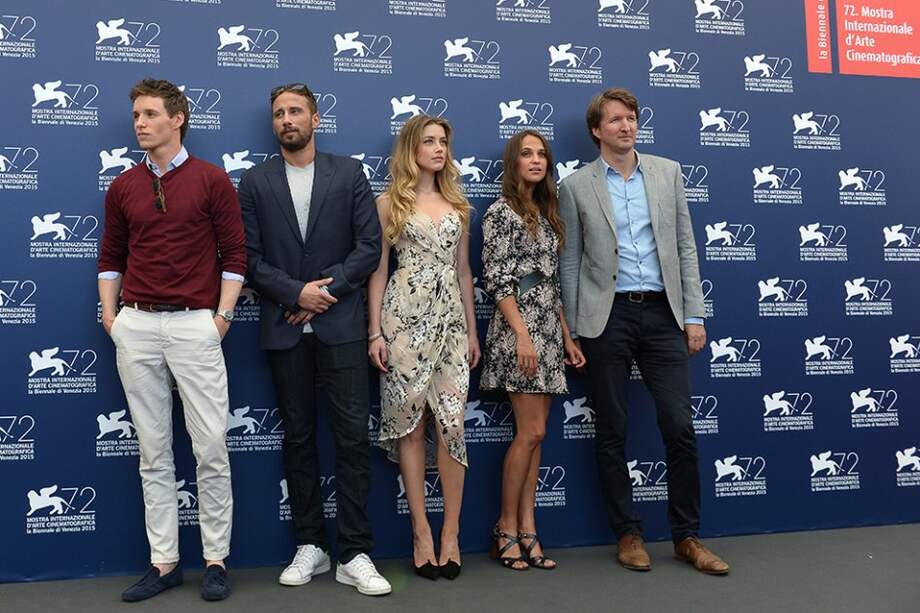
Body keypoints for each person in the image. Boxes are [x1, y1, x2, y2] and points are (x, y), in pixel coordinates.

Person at [559, 87, 730, 575]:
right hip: (605, 317)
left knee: (679, 426)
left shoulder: (667, 172)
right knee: (612, 429)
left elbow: (685, 245)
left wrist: (694, 316)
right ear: (597, 129)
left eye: (631, 118)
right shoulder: (575, 186)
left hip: (663, 316)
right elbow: (569, 261)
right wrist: (572, 328)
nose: (626, 126)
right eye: (614, 119)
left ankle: (687, 537)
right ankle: (628, 533)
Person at [237, 83, 391, 596]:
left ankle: (355, 551)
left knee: (350, 439)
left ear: (315, 118)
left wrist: (327, 292)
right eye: (279, 113)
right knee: (299, 439)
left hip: (341, 325)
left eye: (295, 111)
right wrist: (296, 293)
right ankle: (311, 545)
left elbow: (370, 246)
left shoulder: (348, 173)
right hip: (285, 327)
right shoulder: (254, 183)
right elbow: (249, 261)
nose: (287, 119)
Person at [98, 78, 245, 602]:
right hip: (136, 326)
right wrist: (113, 318)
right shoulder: (123, 186)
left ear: (177, 118)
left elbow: (235, 255)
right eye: (136, 114)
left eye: (150, 114)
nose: (139, 122)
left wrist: (220, 319)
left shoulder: (211, 180)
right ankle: (163, 564)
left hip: (195, 326)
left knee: (209, 447)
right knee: (153, 452)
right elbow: (111, 255)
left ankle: (215, 560)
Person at [367, 114, 480, 581]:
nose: (439, 149)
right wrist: (375, 332)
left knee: (451, 425)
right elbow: (378, 271)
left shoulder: (459, 204)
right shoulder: (388, 202)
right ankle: (421, 532)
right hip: (403, 322)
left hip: (452, 323)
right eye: (429, 141)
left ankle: (451, 532)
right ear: (411, 148)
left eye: (444, 143)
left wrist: (473, 332)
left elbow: (464, 273)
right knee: (411, 428)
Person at [479, 130, 585, 571]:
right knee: (530, 433)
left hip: (545, 326)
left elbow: (552, 284)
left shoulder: (547, 214)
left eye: (542, 154)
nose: (536, 160)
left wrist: (565, 336)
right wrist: (522, 334)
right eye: (527, 154)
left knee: (538, 434)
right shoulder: (500, 213)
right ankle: (505, 526)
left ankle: (528, 526)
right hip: (517, 329)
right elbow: (497, 279)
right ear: (514, 162)